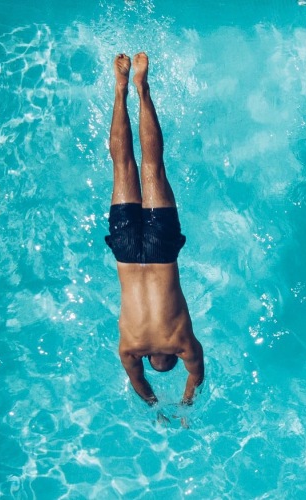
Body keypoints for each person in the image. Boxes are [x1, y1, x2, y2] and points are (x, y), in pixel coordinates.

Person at [105, 52, 204, 406]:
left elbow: (197, 374)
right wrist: (155, 404)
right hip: (126, 254)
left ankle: (141, 87)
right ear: (150, 358)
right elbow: (137, 381)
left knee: (153, 165)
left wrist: (185, 402)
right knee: (122, 166)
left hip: (162, 252)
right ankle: (120, 90)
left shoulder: (182, 343)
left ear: (171, 358)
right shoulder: (131, 348)